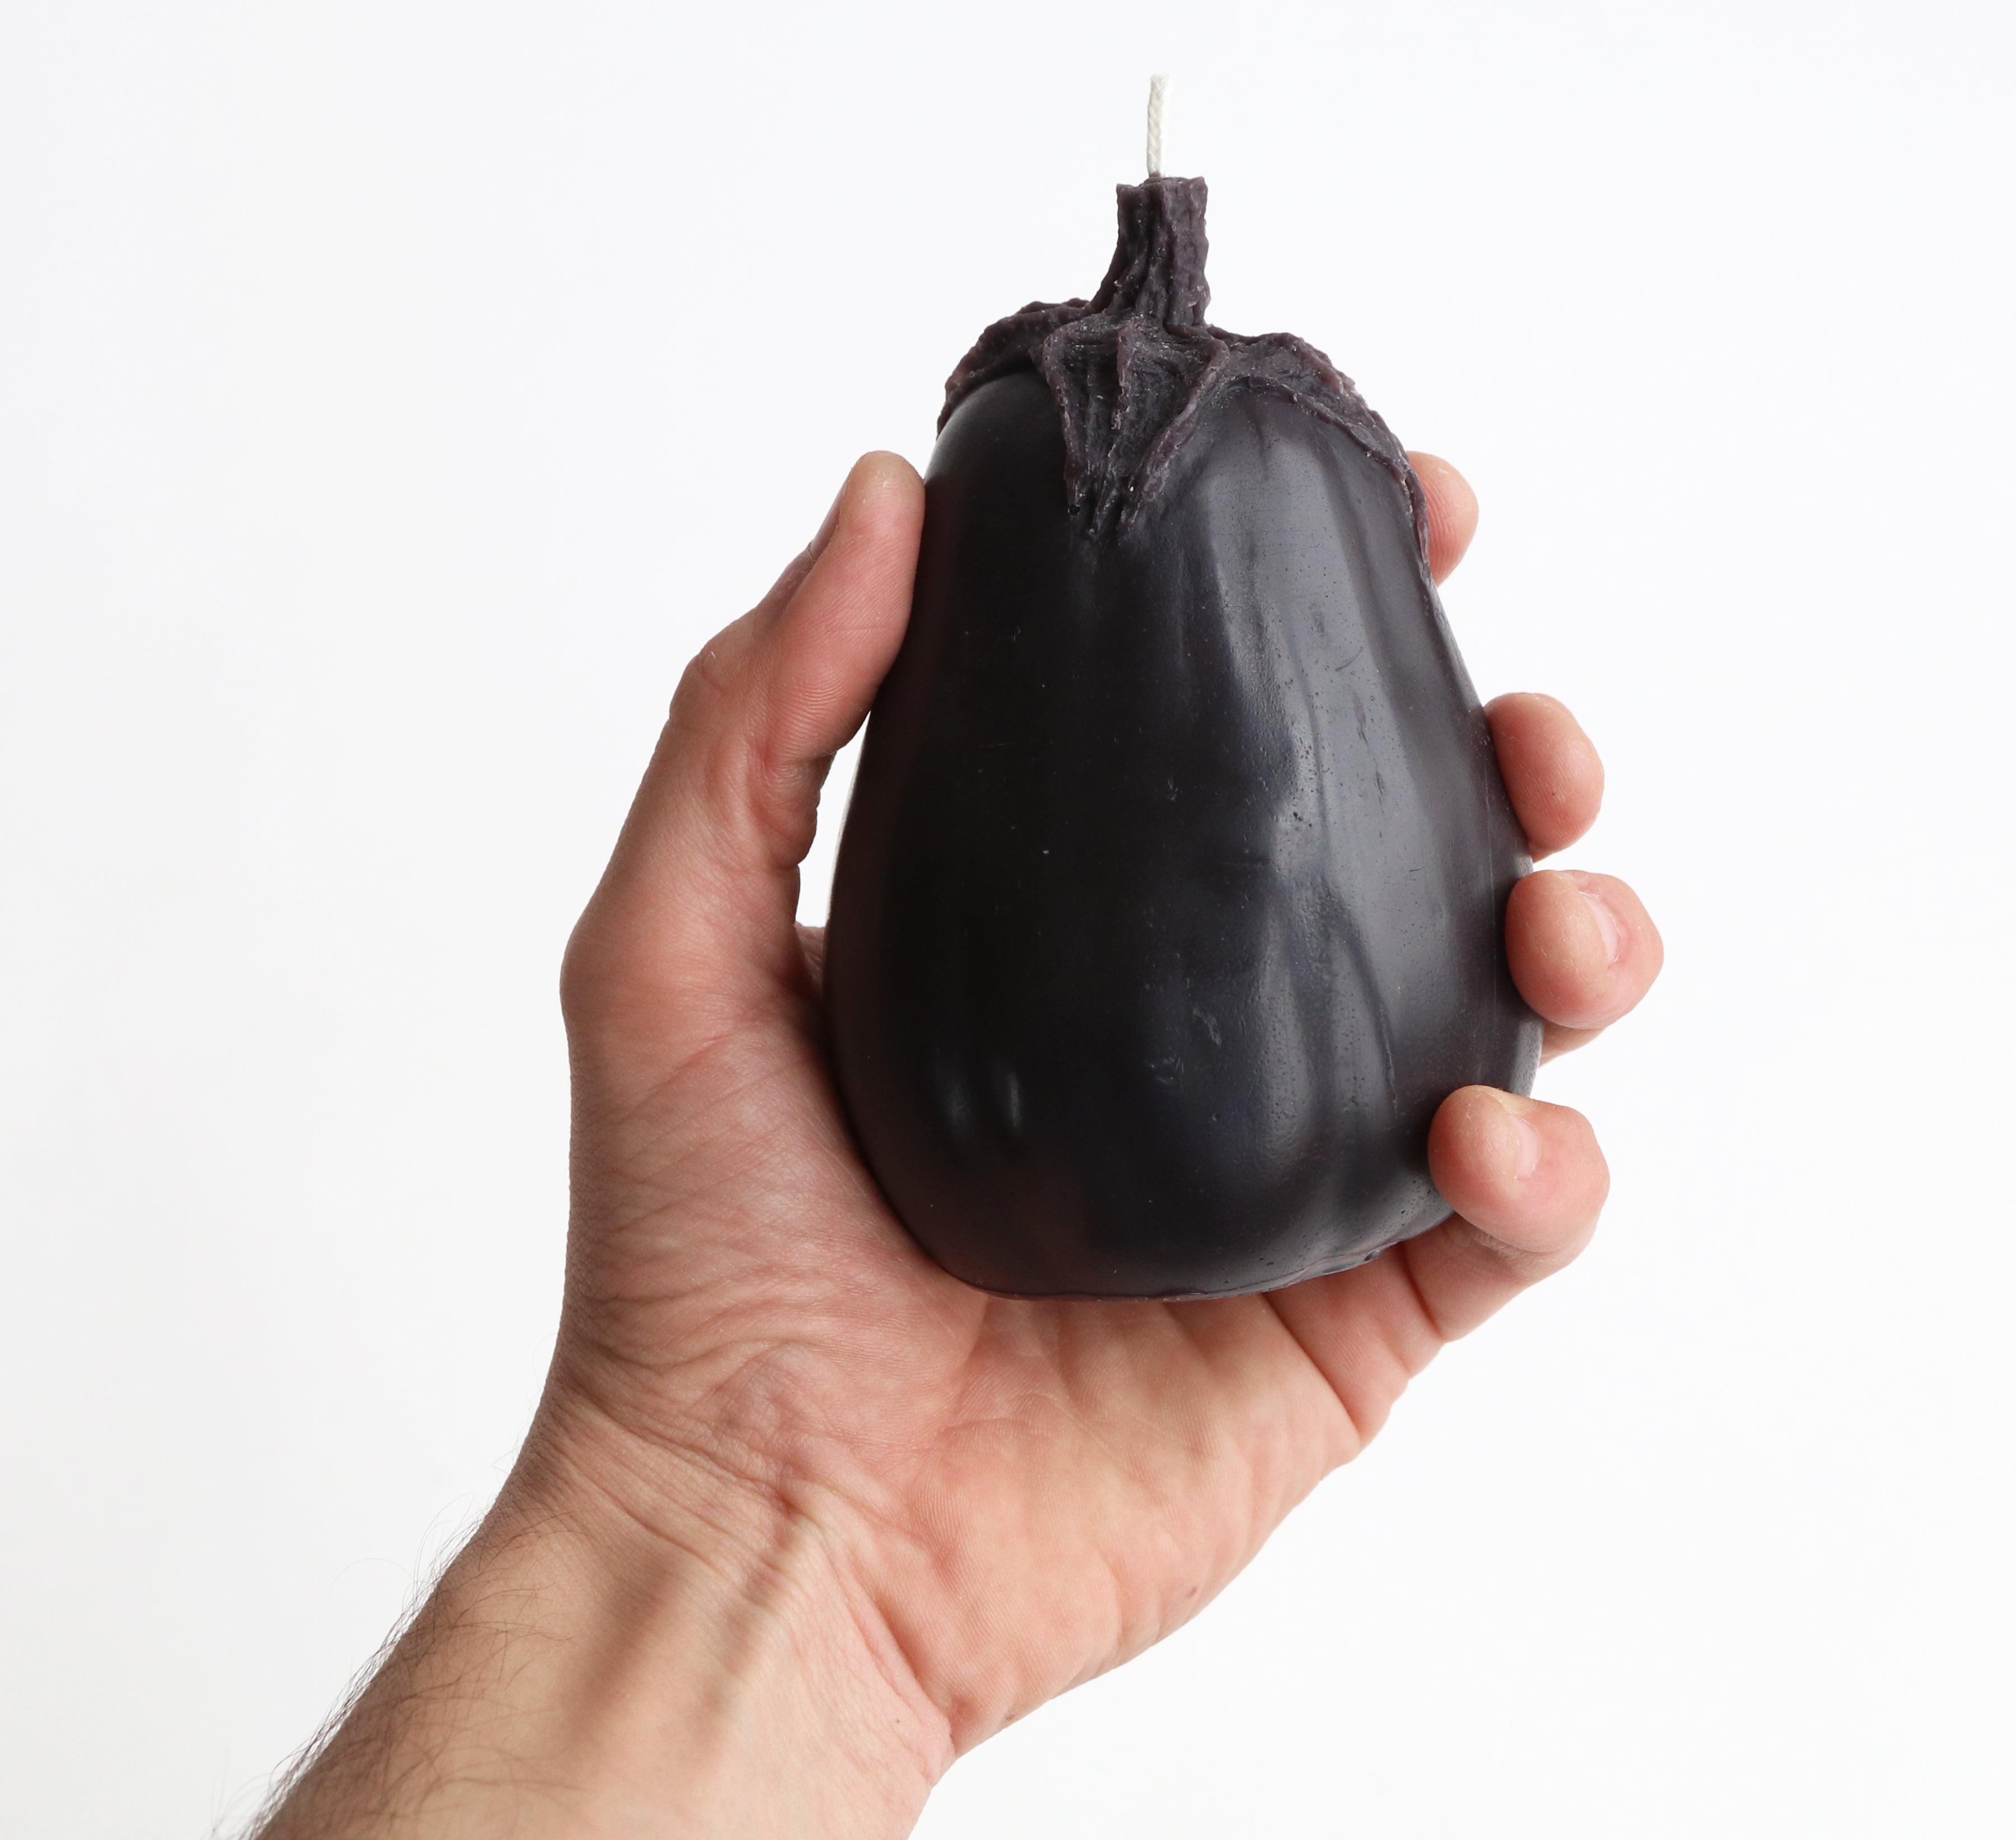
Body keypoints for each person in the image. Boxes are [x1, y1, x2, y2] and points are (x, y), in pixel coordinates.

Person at [253, 451, 1661, 1838]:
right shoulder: (1132, 468)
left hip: (1005, 1161)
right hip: (1019, 1175)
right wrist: (750, 1517)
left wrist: (763, 1556)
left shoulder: (1058, 459)